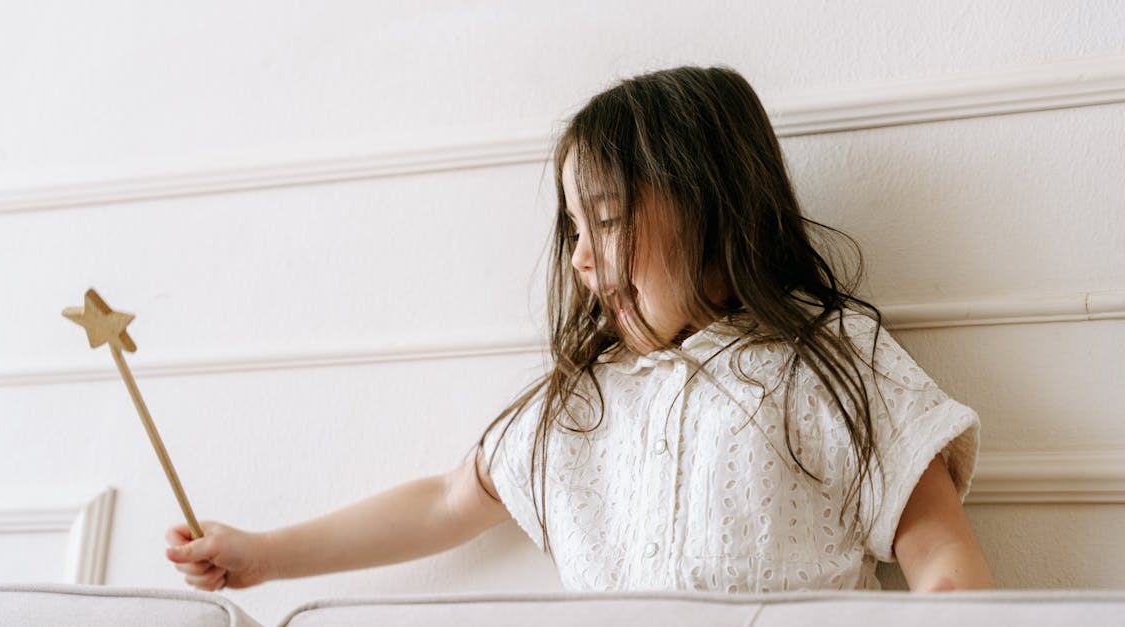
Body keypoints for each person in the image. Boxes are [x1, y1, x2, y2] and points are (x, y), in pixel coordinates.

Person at [166, 66, 995, 593]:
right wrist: (266, 553)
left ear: (712, 208)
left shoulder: (829, 363)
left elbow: (938, 552)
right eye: (573, 228)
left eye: (606, 218)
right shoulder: (586, 404)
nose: (581, 259)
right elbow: (447, 499)